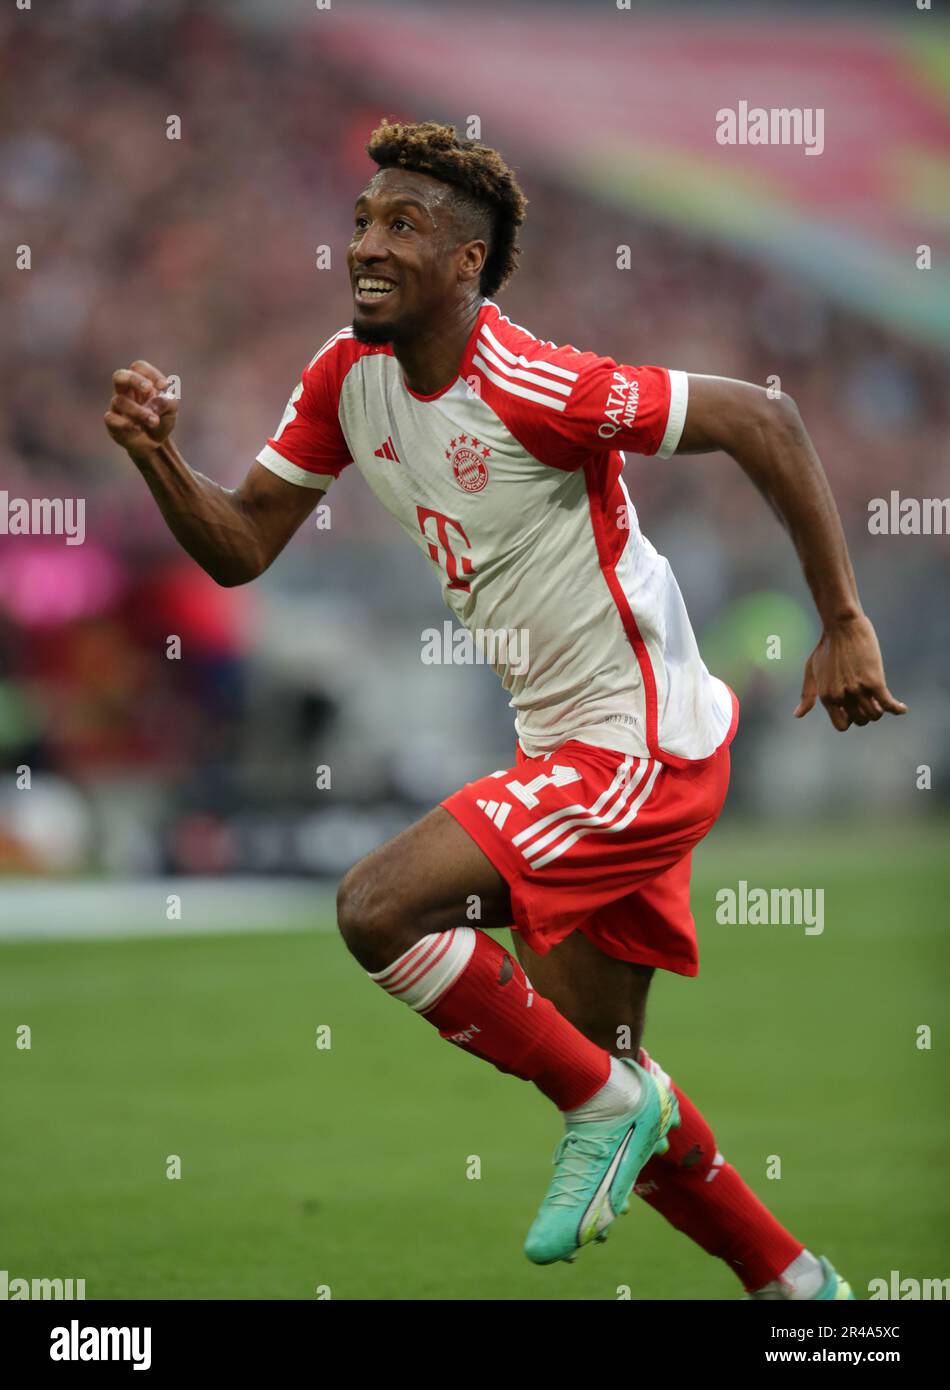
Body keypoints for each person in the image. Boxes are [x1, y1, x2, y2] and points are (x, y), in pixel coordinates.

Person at [104, 119, 905, 1296]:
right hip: (570, 751)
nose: (366, 246)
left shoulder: (532, 385)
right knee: (606, 1066)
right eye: (362, 222)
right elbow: (240, 549)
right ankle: (804, 1294)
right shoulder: (346, 376)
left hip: (636, 748)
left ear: (468, 263)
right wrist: (160, 458)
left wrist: (840, 618)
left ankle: (609, 1108)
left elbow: (762, 419)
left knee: (376, 910)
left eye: (403, 227)